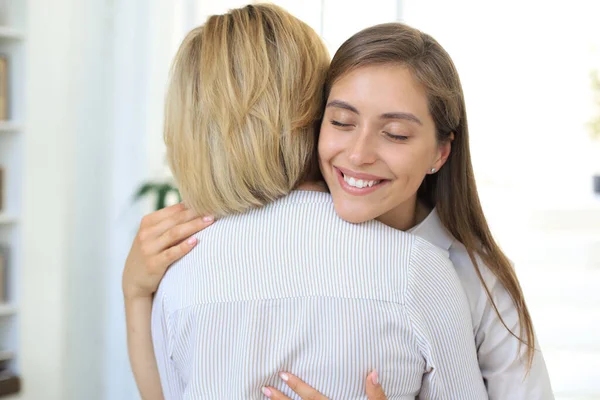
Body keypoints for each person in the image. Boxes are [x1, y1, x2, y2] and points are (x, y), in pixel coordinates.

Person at [123, 3, 487, 400]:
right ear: (314, 108)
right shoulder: (420, 272)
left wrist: (135, 294)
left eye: (395, 133)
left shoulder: (179, 277)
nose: (361, 151)